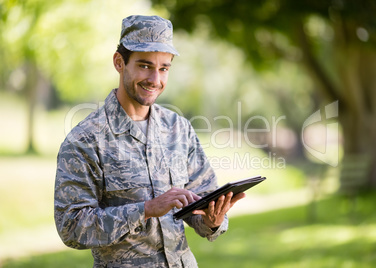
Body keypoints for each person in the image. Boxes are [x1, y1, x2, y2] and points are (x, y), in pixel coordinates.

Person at [54, 15, 245, 268]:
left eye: (164, 68)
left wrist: (213, 219)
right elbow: (72, 227)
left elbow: (202, 205)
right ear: (119, 62)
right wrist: (145, 209)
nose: (155, 80)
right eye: (145, 66)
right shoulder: (85, 140)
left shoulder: (179, 129)